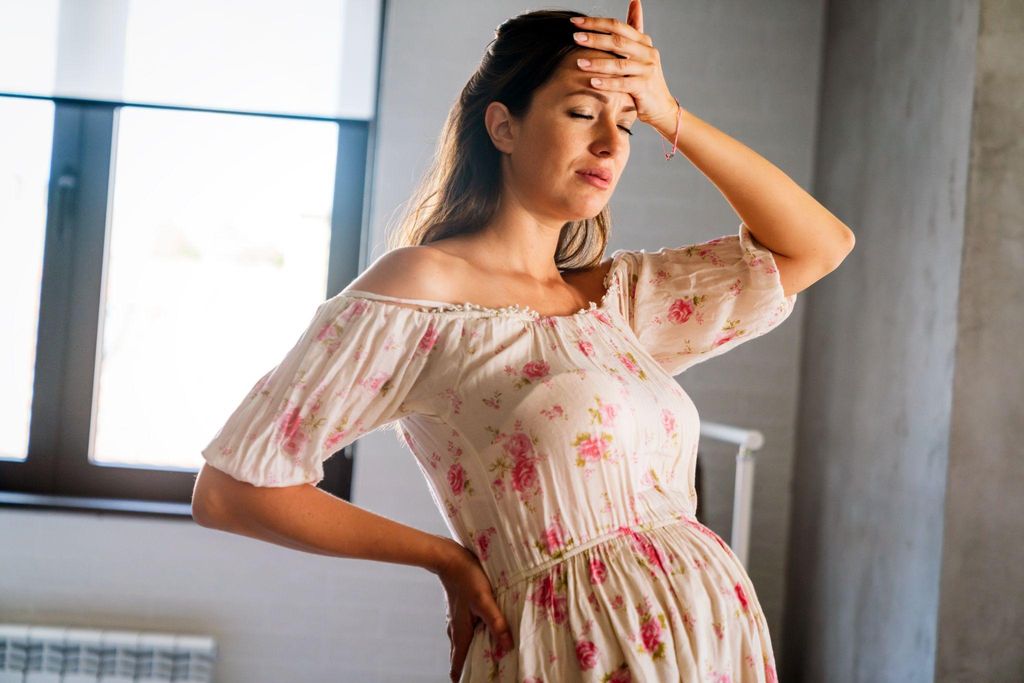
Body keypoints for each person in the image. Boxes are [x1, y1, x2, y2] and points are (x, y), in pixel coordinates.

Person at [192, 2, 855, 681]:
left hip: (708, 641)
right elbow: (229, 490)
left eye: (624, 123)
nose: (610, 144)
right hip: (568, 650)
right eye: (580, 113)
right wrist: (442, 556)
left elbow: (821, 244)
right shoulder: (423, 288)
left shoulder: (617, 302)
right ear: (503, 125)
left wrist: (668, 112)